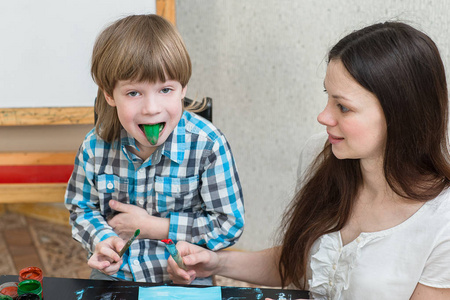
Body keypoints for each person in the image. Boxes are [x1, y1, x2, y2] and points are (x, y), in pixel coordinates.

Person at [167, 21, 450, 299]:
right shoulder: (320, 154)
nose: (323, 117)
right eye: (328, 97)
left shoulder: (442, 219)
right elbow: (300, 263)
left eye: (343, 107)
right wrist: (218, 262)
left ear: (400, 115)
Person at [64, 14, 245, 284]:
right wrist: (103, 240)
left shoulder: (208, 146)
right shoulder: (95, 146)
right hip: (117, 276)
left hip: (186, 276)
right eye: (134, 93)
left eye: (165, 90)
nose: (151, 108)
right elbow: (81, 209)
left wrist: (155, 228)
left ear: (183, 88)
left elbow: (228, 224)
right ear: (110, 95)